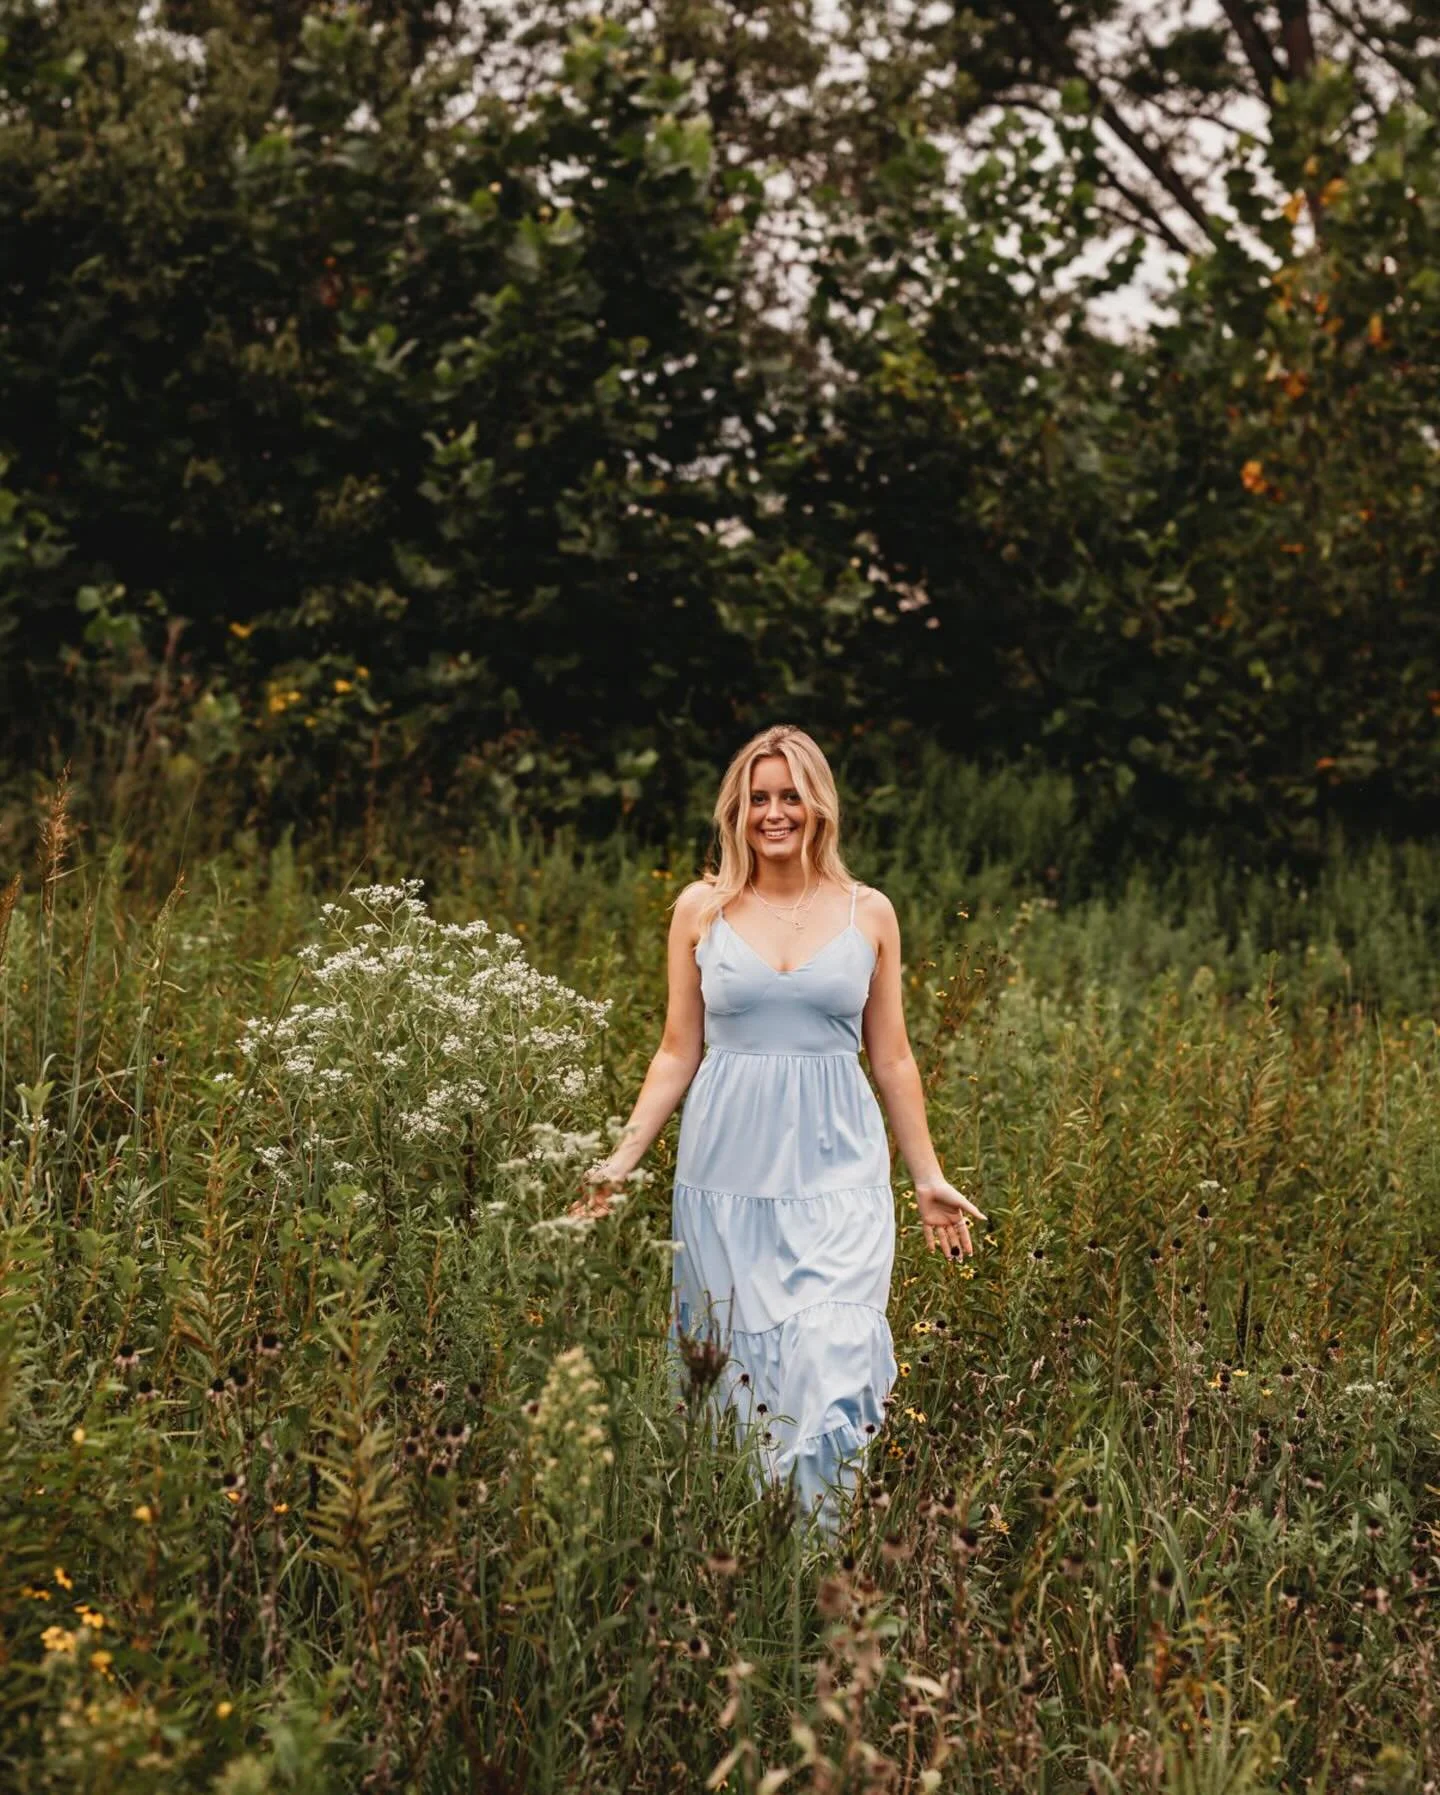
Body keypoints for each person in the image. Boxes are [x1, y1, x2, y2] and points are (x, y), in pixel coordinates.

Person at [573, 723, 985, 1536]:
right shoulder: (703, 909)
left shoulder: (870, 913)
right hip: (726, 1180)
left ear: (817, 804)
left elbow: (894, 1057)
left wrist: (926, 1175)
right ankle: (747, 1564)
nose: (773, 812)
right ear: (737, 810)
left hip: (839, 1175)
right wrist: (620, 1160)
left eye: (789, 794)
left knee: (834, 1354)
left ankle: (817, 1551)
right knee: (730, 1378)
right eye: (758, 797)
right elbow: (674, 1050)